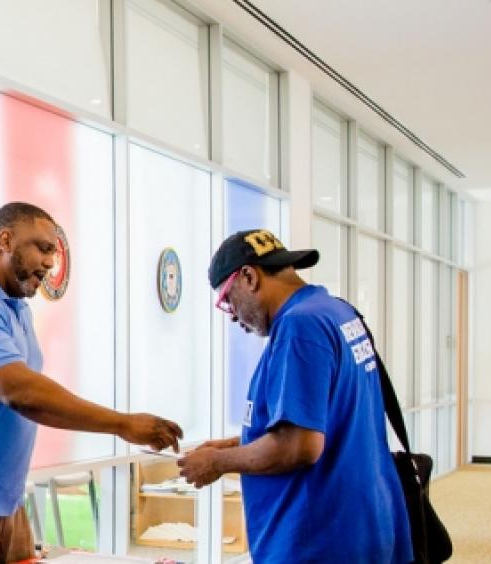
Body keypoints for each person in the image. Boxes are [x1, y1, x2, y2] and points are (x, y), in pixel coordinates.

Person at [0, 202, 183, 564]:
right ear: (5, 240)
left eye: (53, 251)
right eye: (42, 248)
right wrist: (122, 423)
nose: (50, 263)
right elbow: (18, 391)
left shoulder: (14, 307)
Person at [177, 229, 413, 563]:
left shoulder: (298, 327)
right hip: (365, 522)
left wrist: (217, 463)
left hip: (320, 538)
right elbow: (324, 420)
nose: (232, 316)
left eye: (228, 300)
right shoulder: (335, 311)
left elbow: (300, 445)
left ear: (248, 277)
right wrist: (235, 444)